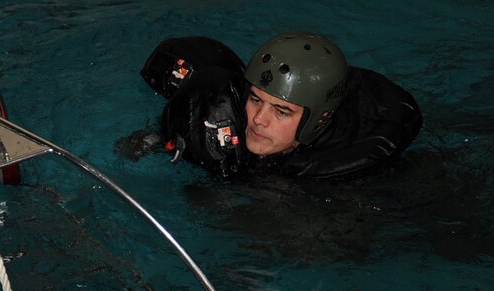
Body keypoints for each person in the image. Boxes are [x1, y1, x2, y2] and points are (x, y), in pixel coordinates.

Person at [135, 32, 423, 180]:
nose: (259, 119)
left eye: (282, 111)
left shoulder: (335, 181)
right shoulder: (232, 108)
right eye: (255, 99)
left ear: (317, 120)